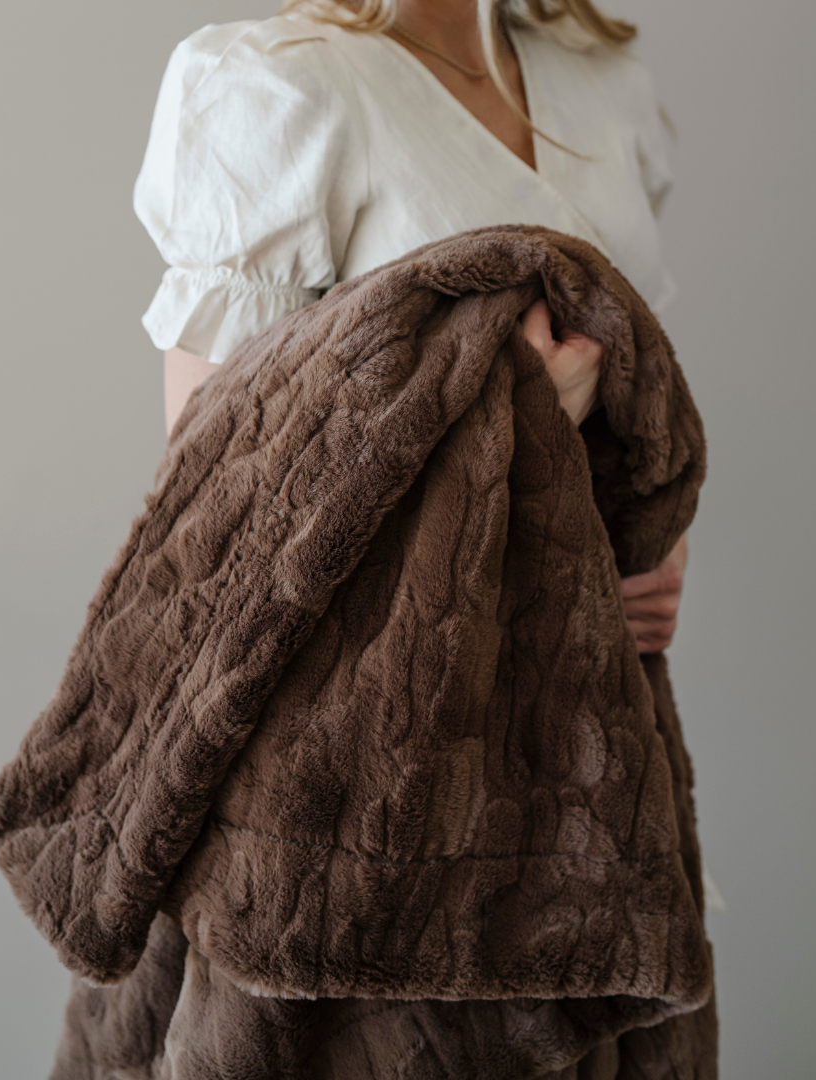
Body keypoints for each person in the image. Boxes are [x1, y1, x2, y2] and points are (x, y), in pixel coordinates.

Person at [133, 0, 688, 654]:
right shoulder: (277, 84)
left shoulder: (598, 69)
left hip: (589, 686)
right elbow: (226, 519)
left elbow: (648, 381)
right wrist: (524, 414)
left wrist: (661, 534)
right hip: (402, 691)